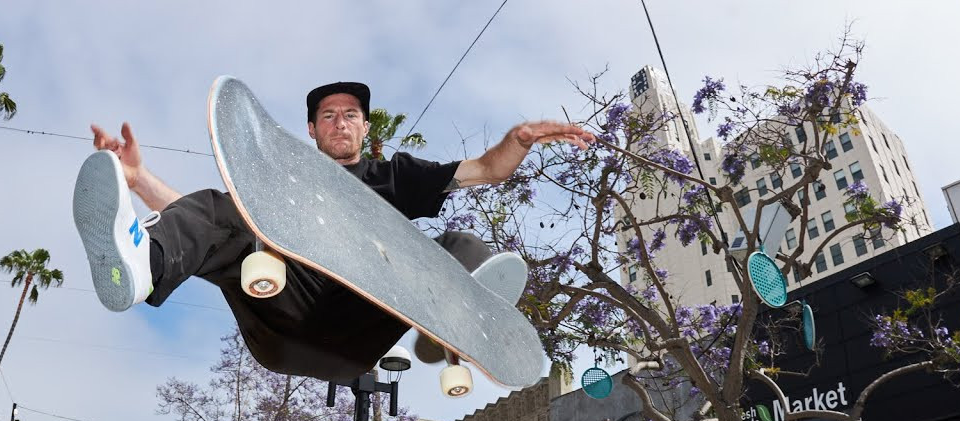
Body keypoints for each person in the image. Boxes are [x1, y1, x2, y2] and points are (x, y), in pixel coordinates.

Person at [75, 84, 593, 385]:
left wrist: (519, 139)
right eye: (328, 116)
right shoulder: (279, 182)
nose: (339, 123)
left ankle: (455, 329)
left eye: (350, 115)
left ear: (365, 127)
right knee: (222, 207)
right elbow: (204, 227)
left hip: (356, 329)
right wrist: (138, 179)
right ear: (311, 129)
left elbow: (485, 169)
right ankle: (141, 265)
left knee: (463, 247)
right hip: (284, 318)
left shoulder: (393, 177)